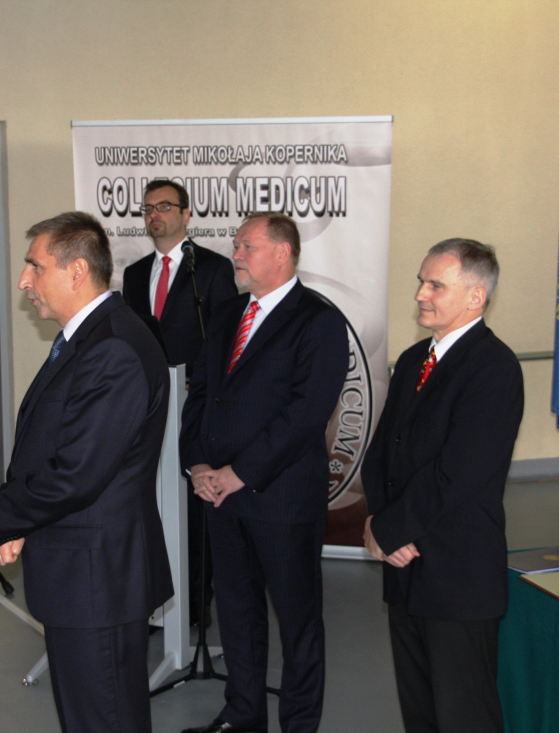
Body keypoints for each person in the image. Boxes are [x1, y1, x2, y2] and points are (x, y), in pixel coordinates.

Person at [0, 211, 173, 733]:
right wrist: (15, 512)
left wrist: (2, 516)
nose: (24, 281)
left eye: (35, 267)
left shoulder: (114, 348)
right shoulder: (87, 339)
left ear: (77, 270)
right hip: (81, 573)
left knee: (104, 719)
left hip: (97, 579)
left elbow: (76, 473)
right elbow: (48, 444)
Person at [179, 212, 348, 733]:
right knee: (237, 611)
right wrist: (197, 462)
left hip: (281, 498)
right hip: (220, 496)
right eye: (236, 246)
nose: (235, 255)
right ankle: (243, 714)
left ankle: (298, 724)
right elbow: (201, 393)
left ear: (282, 253)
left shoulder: (318, 321)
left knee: (297, 621)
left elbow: (306, 414)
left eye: (246, 246)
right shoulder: (228, 314)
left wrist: (240, 472)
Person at [361, 239, 524, 733]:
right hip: (406, 568)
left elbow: (456, 474)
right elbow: (382, 452)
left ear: (476, 297)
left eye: (435, 285)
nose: (420, 294)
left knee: (463, 715)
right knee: (421, 713)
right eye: (421, 282)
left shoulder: (494, 368)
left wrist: (390, 530)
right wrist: (377, 521)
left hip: (457, 575)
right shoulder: (414, 359)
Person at [123, 179, 237, 626]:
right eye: (149, 208)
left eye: (165, 206)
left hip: (195, 404)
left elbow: (224, 339)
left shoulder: (211, 269)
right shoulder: (135, 275)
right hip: (148, 406)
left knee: (193, 508)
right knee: (150, 500)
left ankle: (195, 603)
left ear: (186, 215)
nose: (155, 214)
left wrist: (201, 384)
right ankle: (154, 598)